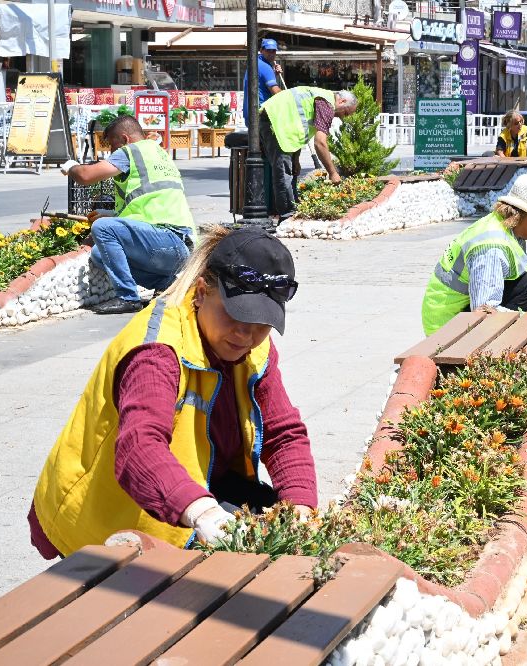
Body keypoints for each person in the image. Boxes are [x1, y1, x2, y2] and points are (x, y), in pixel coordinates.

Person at [29, 226, 318, 558]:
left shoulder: (254, 347)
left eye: (261, 323)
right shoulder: (156, 351)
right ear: (201, 292)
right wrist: (203, 513)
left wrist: (300, 507)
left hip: (199, 482)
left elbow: (283, 433)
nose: (245, 335)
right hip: (106, 512)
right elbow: (140, 447)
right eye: (235, 315)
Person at [60, 115, 195, 316]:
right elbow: (147, 202)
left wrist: (71, 167)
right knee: (99, 255)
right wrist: (114, 214)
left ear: (125, 139)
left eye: (112, 146)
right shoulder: (157, 152)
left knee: (102, 227)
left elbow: (86, 175)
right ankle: (166, 284)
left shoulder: (131, 151)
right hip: (179, 247)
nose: (111, 153)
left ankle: (128, 297)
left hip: (168, 239)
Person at [422, 173, 527, 335]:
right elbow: (484, 310)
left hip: (460, 312)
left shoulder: (508, 226)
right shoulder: (492, 248)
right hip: (446, 327)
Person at [259, 87, 359, 219]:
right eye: (345, 113)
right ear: (342, 101)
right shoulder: (326, 104)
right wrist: (333, 173)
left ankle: (291, 210)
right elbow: (320, 143)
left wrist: (296, 159)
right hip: (275, 120)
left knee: (290, 171)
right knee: (283, 173)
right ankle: (287, 217)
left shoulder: (322, 97)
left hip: (279, 121)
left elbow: (297, 129)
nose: (342, 117)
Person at [242, 38, 282, 125]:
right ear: (261, 50)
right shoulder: (265, 67)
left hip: (250, 113)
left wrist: (273, 74)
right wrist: (292, 96)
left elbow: (260, 83)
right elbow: (276, 92)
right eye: (268, 51)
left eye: (273, 51)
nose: (271, 54)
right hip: (261, 115)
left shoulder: (255, 63)